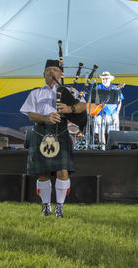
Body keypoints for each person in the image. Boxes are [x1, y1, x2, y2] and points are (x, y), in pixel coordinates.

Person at [20, 60, 87, 218]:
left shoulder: (67, 91)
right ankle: (45, 206)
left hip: (61, 131)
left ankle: (60, 207)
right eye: (48, 70)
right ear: (43, 74)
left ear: (61, 74)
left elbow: (83, 106)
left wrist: (70, 108)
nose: (52, 72)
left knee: (62, 171)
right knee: (42, 173)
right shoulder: (35, 93)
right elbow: (30, 114)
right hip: (41, 131)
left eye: (55, 70)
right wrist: (45, 118)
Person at [93, 71, 124, 148]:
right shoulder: (98, 88)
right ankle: (102, 148)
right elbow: (93, 101)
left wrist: (117, 112)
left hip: (112, 113)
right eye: (103, 78)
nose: (105, 80)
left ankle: (112, 148)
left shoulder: (115, 88)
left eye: (106, 78)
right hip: (100, 113)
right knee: (101, 132)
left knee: (113, 132)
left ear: (110, 79)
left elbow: (120, 102)